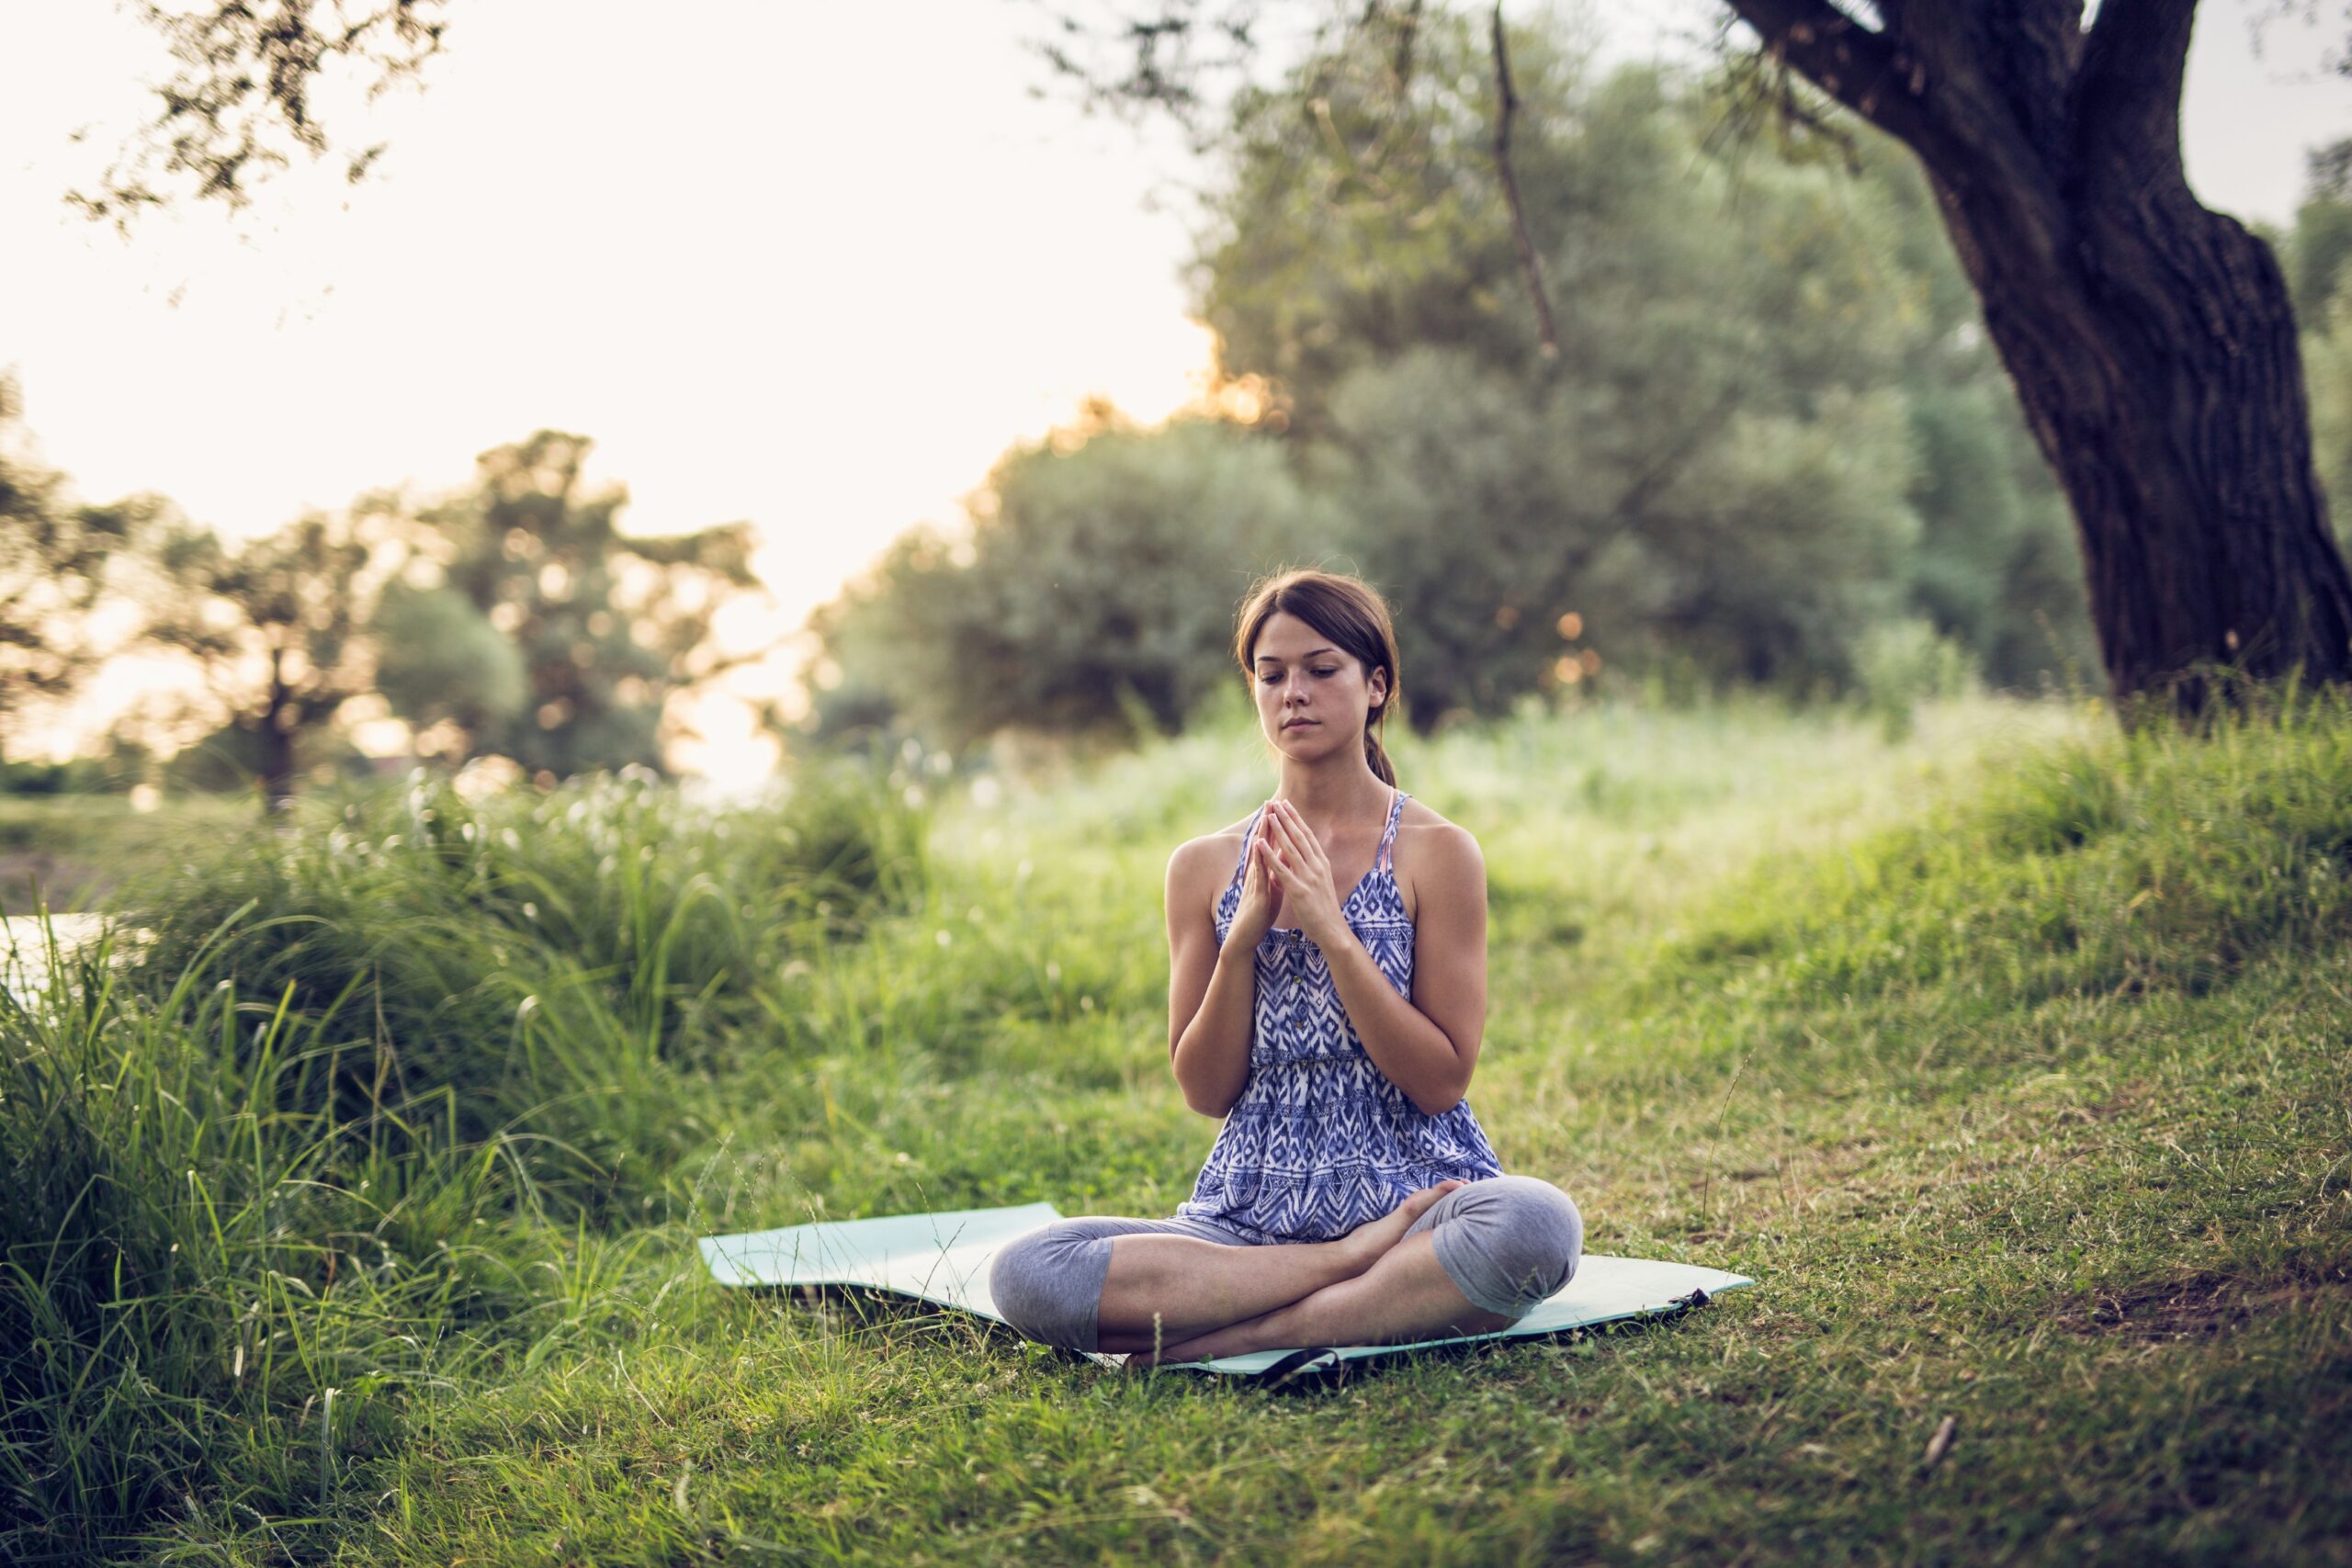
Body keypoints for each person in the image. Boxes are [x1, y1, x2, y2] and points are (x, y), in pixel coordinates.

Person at [988, 569, 1582, 1365]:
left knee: (1538, 1224)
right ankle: (1348, 1273)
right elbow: (1205, 1090)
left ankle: (1267, 1330)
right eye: (1272, 675)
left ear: (1376, 687)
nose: (1292, 692)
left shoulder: (1437, 853)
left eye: (1320, 669)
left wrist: (1335, 935)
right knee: (1031, 1273)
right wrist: (1243, 942)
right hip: (1243, 1220)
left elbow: (1440, 1081)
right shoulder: (1203, 866)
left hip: (1420, 1204)